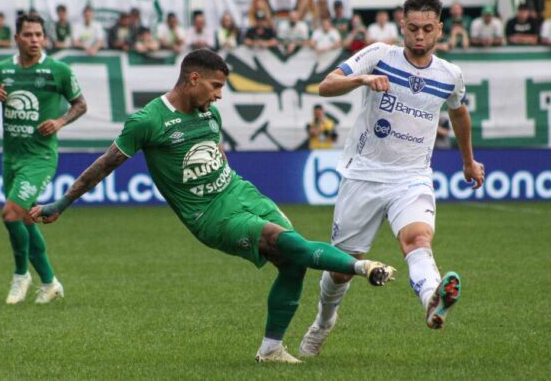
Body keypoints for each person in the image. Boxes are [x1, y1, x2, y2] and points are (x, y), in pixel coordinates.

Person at [30, 49, 395, 363]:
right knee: (286, 243)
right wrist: (61, 203)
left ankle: (271, 350)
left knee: (293, 261)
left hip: (240, 192)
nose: (220, 95)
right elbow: (104, 165)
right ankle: (363, 266)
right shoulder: (148, 121)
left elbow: (215, 153)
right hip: (210, 216)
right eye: (216, 86)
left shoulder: (209, 114)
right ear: (192, 79)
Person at [298, 0, 485, 358]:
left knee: (417, 240)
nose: (419, 35)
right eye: (412, 28)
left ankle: (432, 297)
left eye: (427, 29)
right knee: (341, 269)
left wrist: (468, 161)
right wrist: (362, 81)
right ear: (402, 25)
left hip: (412, 177)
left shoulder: (450, 75)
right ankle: (323, 321)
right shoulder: (379, 56)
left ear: (439, 30)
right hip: (364, 175)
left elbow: (459, 114)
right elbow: (326, 85)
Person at [0, 13, 87, 305]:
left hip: (41, 157)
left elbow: (80, 105)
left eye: (38, 35)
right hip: (12, 158)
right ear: (17, 38)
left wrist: (60, 122)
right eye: (28, 35)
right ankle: (50, 283)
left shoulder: (58, 70)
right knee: (26, 219)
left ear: (44, 38)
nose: (34, 40)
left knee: (10, 214)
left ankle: (21, 276)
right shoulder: (2, 70)